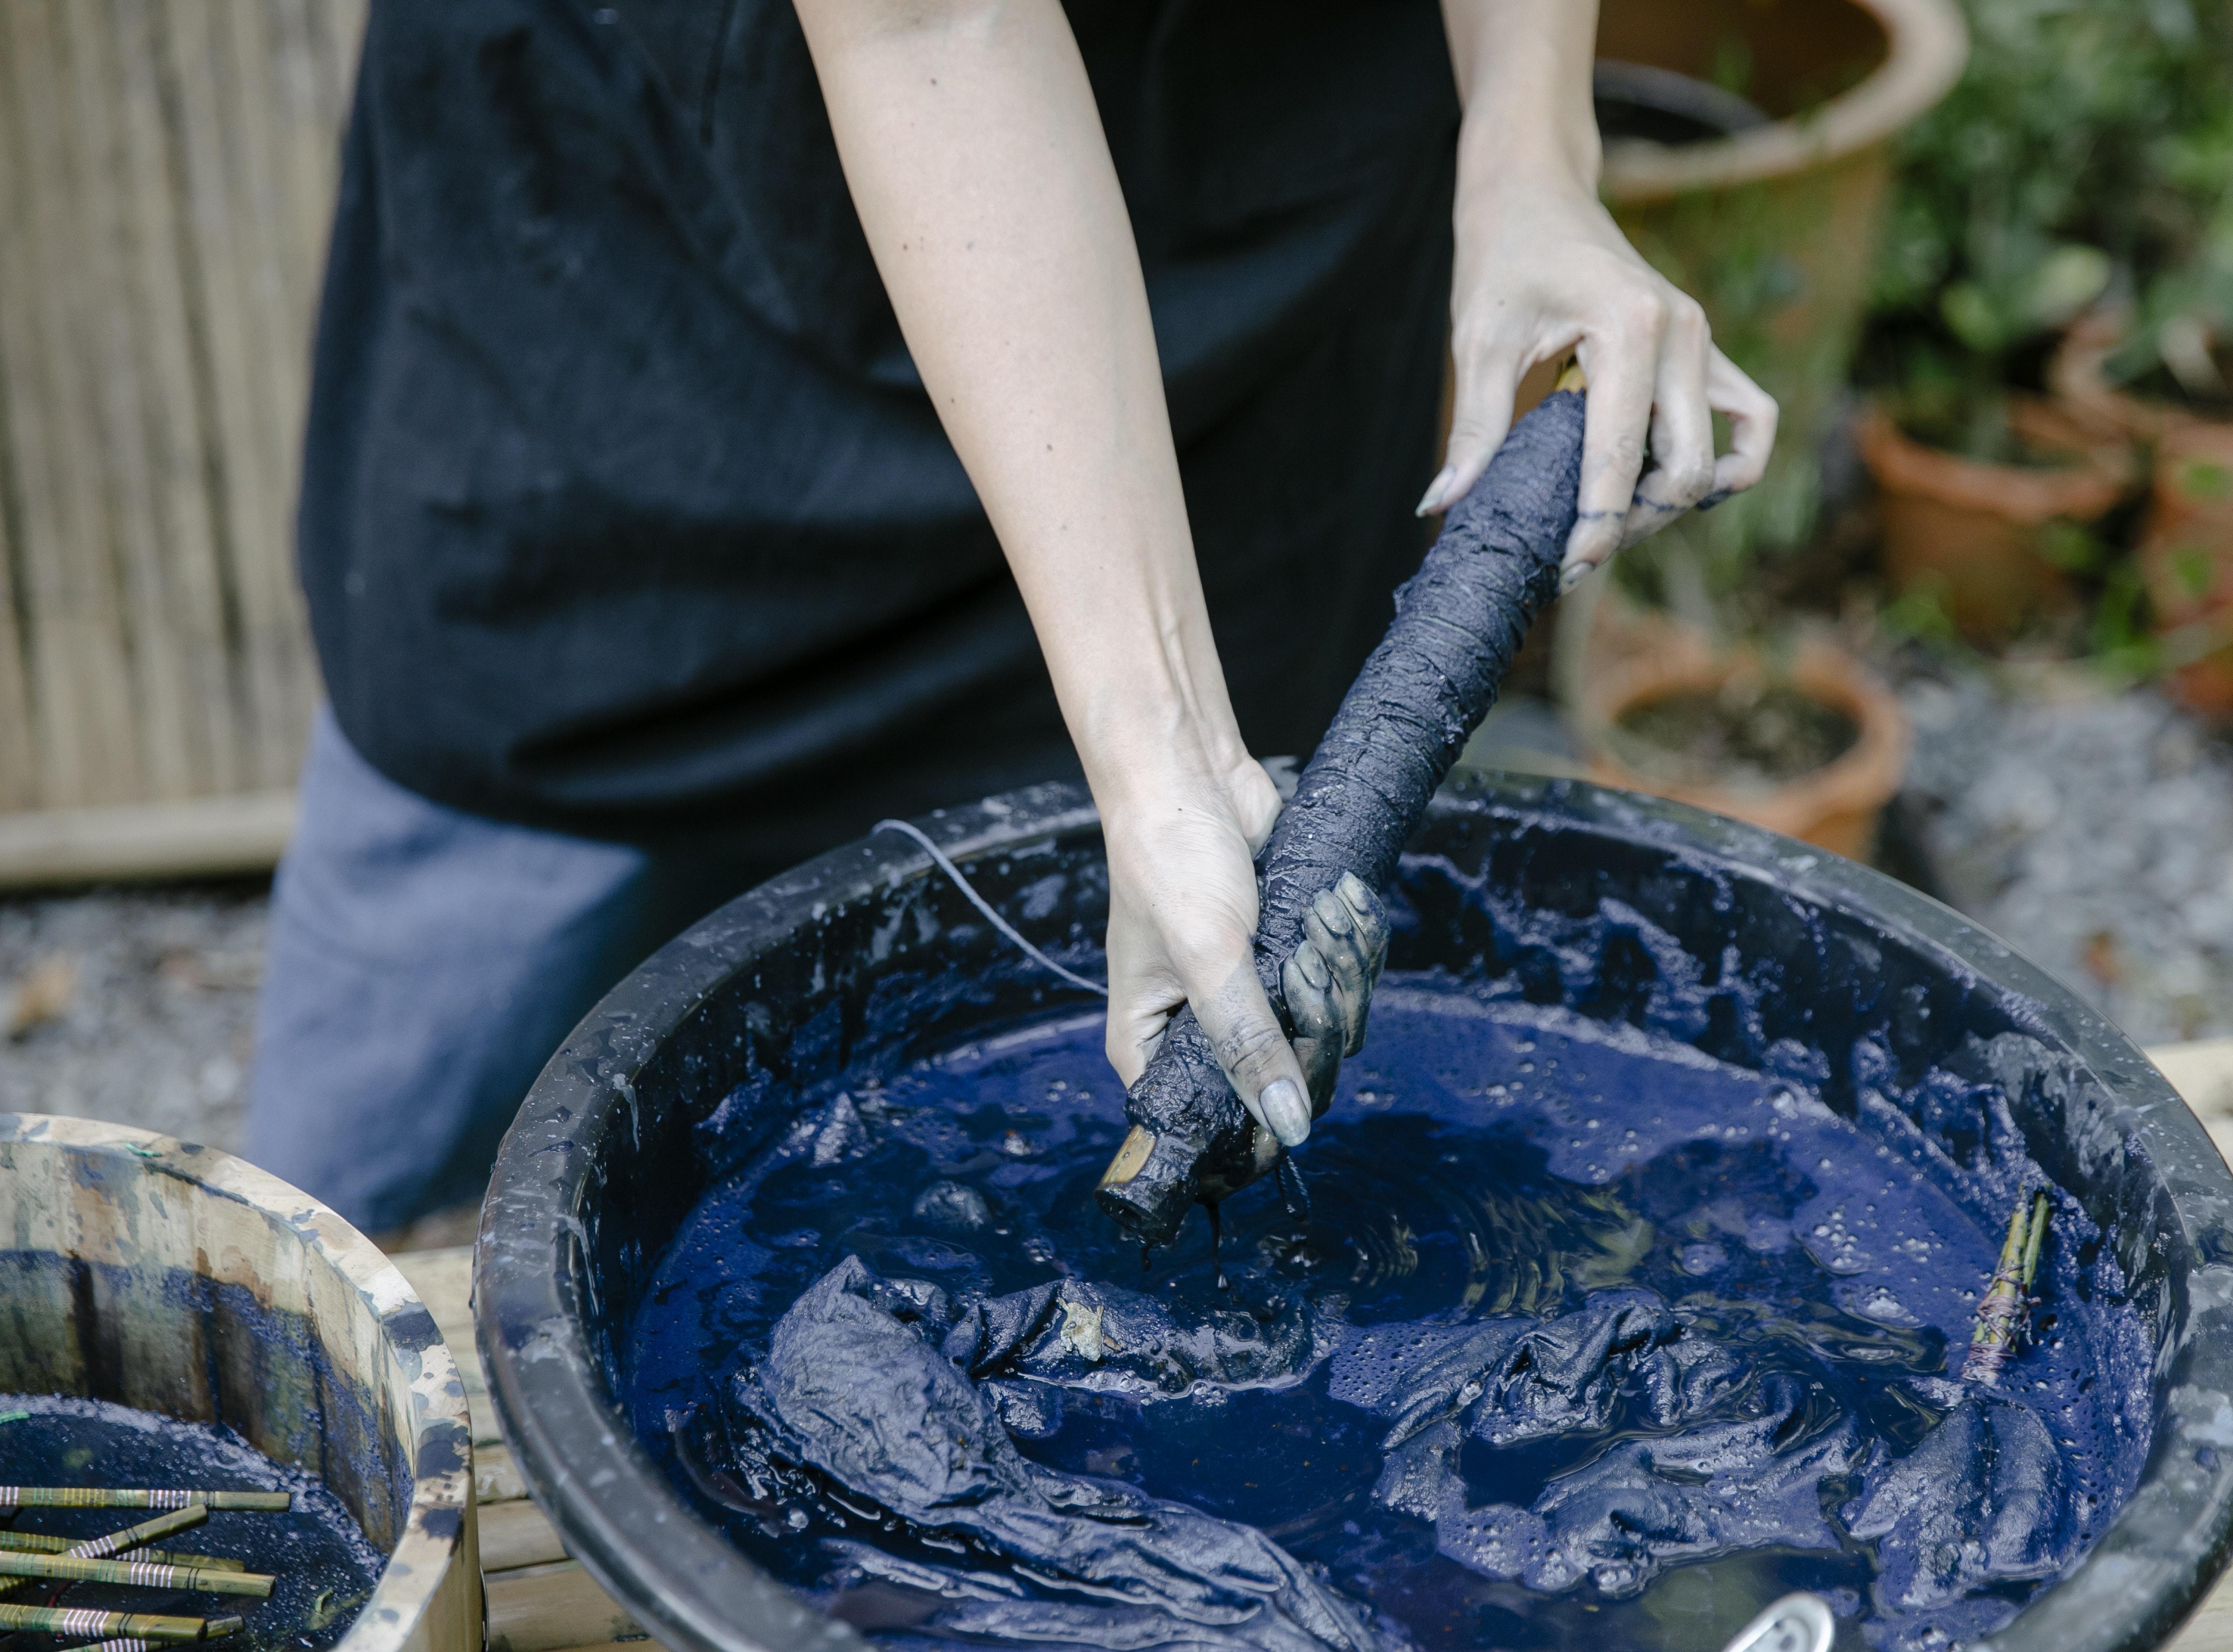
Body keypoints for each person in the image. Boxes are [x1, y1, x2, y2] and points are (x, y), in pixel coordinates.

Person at [244, 0, 1777, 1237]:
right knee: (342, 1207)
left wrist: (1529, 151)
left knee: (1086, 1071)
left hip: (1243, 273)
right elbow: (932, 23)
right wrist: (1157, 735)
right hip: (643, 305)